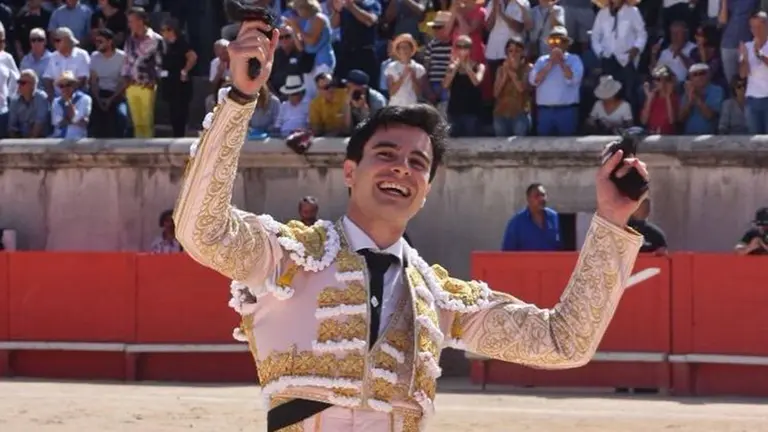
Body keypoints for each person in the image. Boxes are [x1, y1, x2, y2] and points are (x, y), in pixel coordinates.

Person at [173, 19, 648, 432]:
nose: (402, 168)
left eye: (417, 163)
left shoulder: (436, 298)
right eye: (385, 155)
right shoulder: (290, 257)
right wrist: (239, 101)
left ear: (427, 189)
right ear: (348, 171)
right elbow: (202, 230)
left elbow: (561, 342)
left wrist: (610, 221)